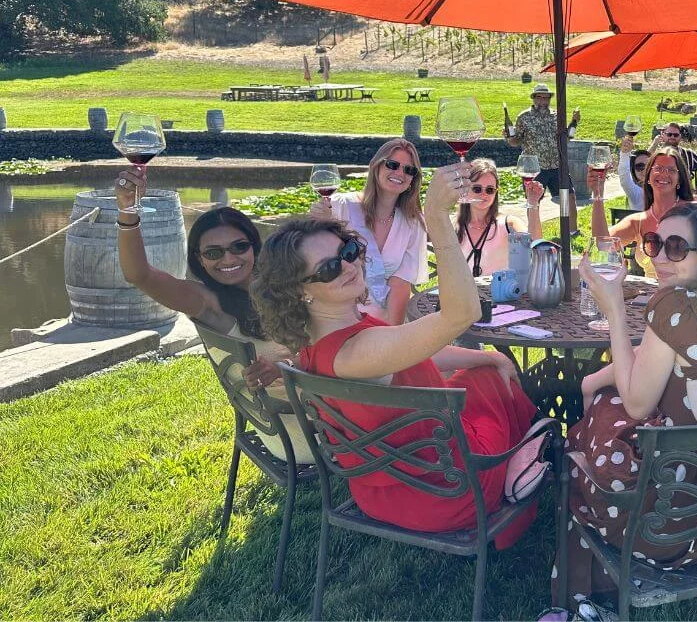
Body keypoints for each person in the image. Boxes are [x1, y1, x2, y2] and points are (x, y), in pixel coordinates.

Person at [252, 164, 540, 545]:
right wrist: (436, 216)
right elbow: (463, 314)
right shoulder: (356, 351)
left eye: (349, 251)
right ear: (298, 290)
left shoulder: (322, 338)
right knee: (494, 391)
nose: (350, 266)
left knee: (482, 373)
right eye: (328, 269)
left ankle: (524, 448)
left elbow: (414, 350)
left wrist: (490, 357)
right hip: (448, 493)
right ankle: (528, 457)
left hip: (388, 488)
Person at [559, 203, 697, 606]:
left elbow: (638, 406)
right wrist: (598, 378)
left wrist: (615, 309)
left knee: (603, 415)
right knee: (606, 395)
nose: (658, 257)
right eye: (654, 243)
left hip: (670, 524)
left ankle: (570, 494)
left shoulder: (675, 305)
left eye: (676, 248)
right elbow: (668, 359)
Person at [113, 169, 313, 463]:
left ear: (254, 248)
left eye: (239, 247)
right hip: (308, 432)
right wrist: (127, 209)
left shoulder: (279, 290)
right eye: (214, 253)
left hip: (301, 418)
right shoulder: (209, 303)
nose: (229, 259)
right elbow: (139, 274)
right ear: (199, 260)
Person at [310, 138, 427, 325]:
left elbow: (401, 284)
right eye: (392, 164)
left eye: (409, 170)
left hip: (385, 316)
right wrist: (322, 227)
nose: (400, 173)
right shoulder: (341, 206)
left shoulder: (413, 223)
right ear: (375, 166)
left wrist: (392, 335)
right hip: (336, 313)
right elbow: (318, 265)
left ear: (413, 179)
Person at [589, 148, 692, 279]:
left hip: (689, 295)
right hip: (651, 296)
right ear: (648, 176)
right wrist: (598, 193)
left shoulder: (694, 214)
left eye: (671, 170)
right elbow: (602, 244)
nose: (664, 174)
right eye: (658, 169)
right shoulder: (638, 222)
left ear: (680, 179)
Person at [506, 83, 581, 234]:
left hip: (557, 165)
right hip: (534, 168)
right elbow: (515, 142)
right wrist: (508, 136)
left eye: (545, 98)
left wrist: (574, 122)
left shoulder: (557, 116)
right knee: (533, 202)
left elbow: (566, 139)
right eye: (539, 97)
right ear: (534, 99)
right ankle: (534, 234)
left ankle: (572, 232)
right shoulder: (524, 117)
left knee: (568, 197)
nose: (542, 101)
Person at [455, 158, 544, 277]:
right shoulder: (454, 227)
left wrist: (533, 203)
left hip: (501, 293)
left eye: (490, 190)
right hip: (464, 294)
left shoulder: (508, 224)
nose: (484, 194)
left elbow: (535, 245)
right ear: (465, 190)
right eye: (477, 189)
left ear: (496, 192)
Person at [654, 122, 697, 193]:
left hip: (684, 193)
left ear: (680, 137)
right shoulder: (656, 154)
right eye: (669, 134)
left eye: (676, 135)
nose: (672, 137)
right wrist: (654, 144)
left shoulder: (688, 154)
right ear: (663, 135)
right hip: (661, 192)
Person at [616, 138, 651, 210]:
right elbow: (624, 177)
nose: (644, 170)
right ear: (633, 170)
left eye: (648, 166)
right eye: (639, 166)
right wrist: (624, 154)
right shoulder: (636, 193)